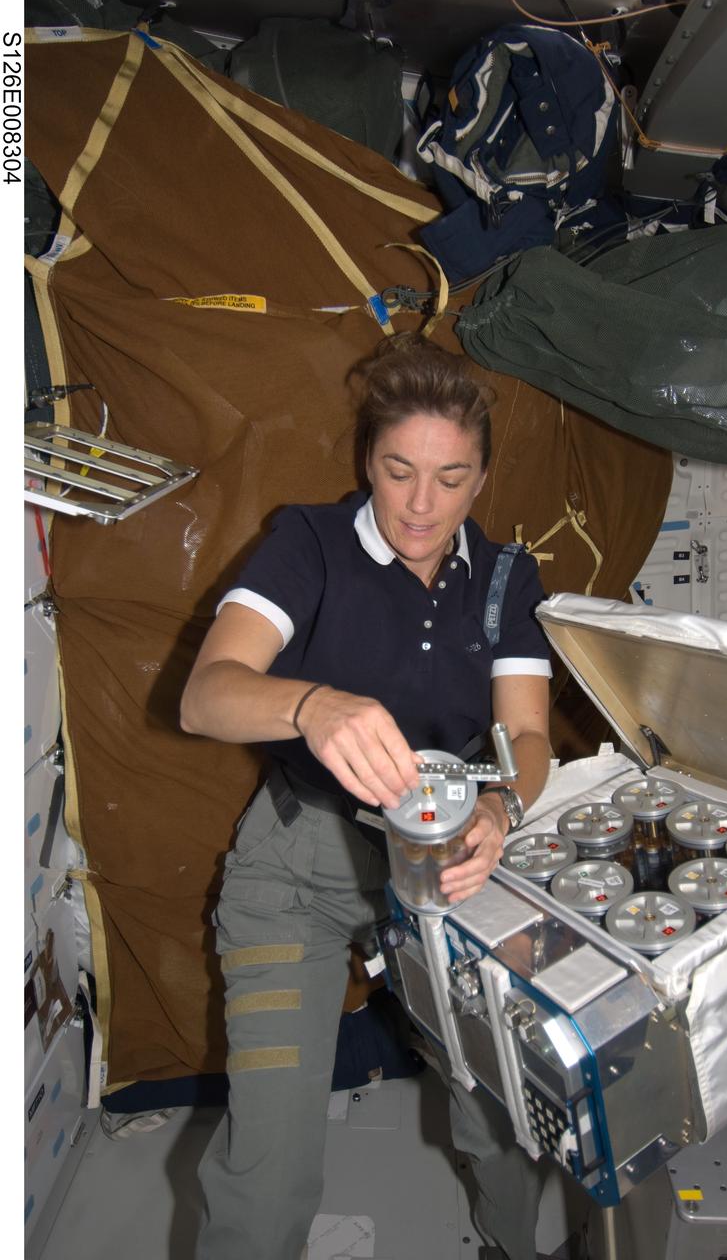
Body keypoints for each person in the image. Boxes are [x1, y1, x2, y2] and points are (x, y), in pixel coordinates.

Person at [181, 333, 553, 1260]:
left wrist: (503, 807)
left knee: (505, 1117)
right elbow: (205, 695)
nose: (422, 506)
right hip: (299, 871)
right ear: (367, 462)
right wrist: (310, 707)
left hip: (451, 870)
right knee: (265, 1175)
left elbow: (531, 737)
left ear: (481, 479)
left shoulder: (508, 579)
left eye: (452, 478)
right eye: (398, 471)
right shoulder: (306, 543)